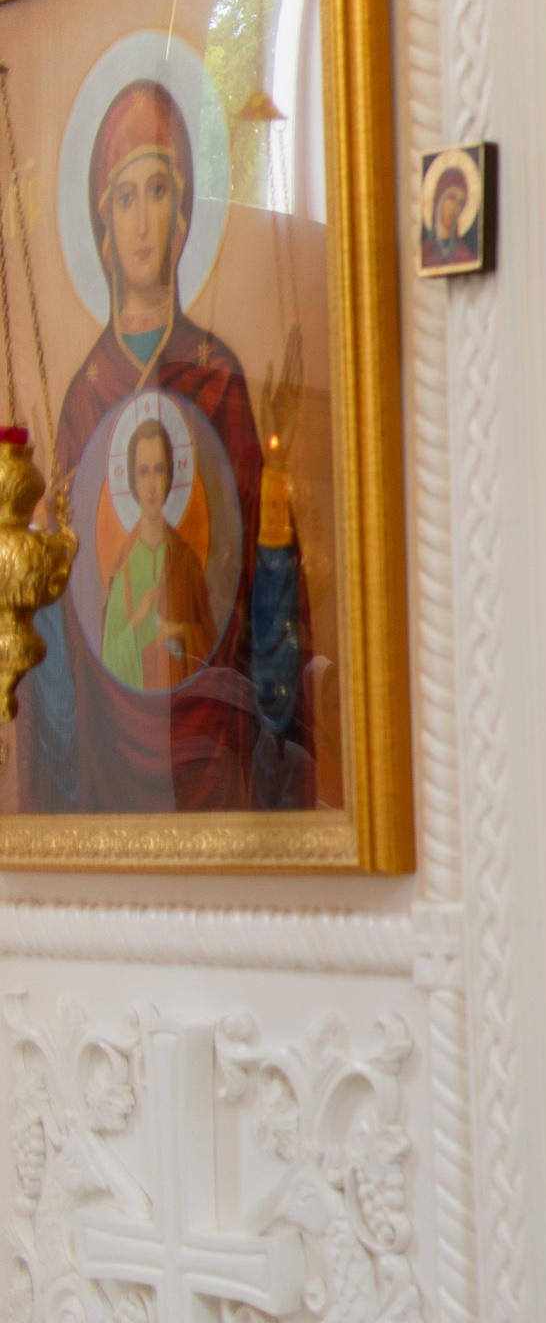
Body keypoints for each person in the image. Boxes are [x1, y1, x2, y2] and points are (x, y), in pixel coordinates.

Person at [25, 77, 310, 813]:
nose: (143, 221)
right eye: (125, 197)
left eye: (158, 190)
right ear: (103, 225)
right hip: (109, 750)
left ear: (183, 214)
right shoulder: (85, 396)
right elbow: (77, 605)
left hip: (214, 733)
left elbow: (255, 582)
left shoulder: (217, 378)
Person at [99, 416, 214, 692]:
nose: (151, 485)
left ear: (170, 476)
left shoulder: (187, 562)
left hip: (182, 711)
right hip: (136, 711)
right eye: (143, 471)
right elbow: (109, 660)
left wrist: (180, 633)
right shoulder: (123, 567)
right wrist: (137, 623)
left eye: (159, 469)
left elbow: (213, 649)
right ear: (132, 481)